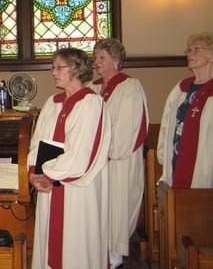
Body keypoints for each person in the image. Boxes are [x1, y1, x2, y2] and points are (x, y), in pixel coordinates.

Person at [27, 48, 111, 269]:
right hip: (49, 186)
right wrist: (34, 173)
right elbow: (37, 142)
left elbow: (82, 152)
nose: (53, 72)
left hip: (76, 190)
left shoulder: (91, 103)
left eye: (58, 67)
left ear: (75, 69)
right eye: (52, 67)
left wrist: (48, 175)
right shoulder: (52, 102)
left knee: (76, 245)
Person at [90, 38, 149, 269]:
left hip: (119, 160)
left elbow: (128, 126)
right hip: (96, 161)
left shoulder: (130, 87)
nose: (96, 62)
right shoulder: (93, 88)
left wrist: (106, 151)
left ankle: (114, 254)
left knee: (117, 205)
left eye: (101, 57)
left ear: (116, 60)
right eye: (95, 58)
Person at [157, 31, 213, 188]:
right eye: (188, 50)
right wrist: (163, 154)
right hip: (177, 156)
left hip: (204, 161)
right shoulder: (182, 88)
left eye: (196, 49)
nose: (190, 53)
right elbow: (167, 123)